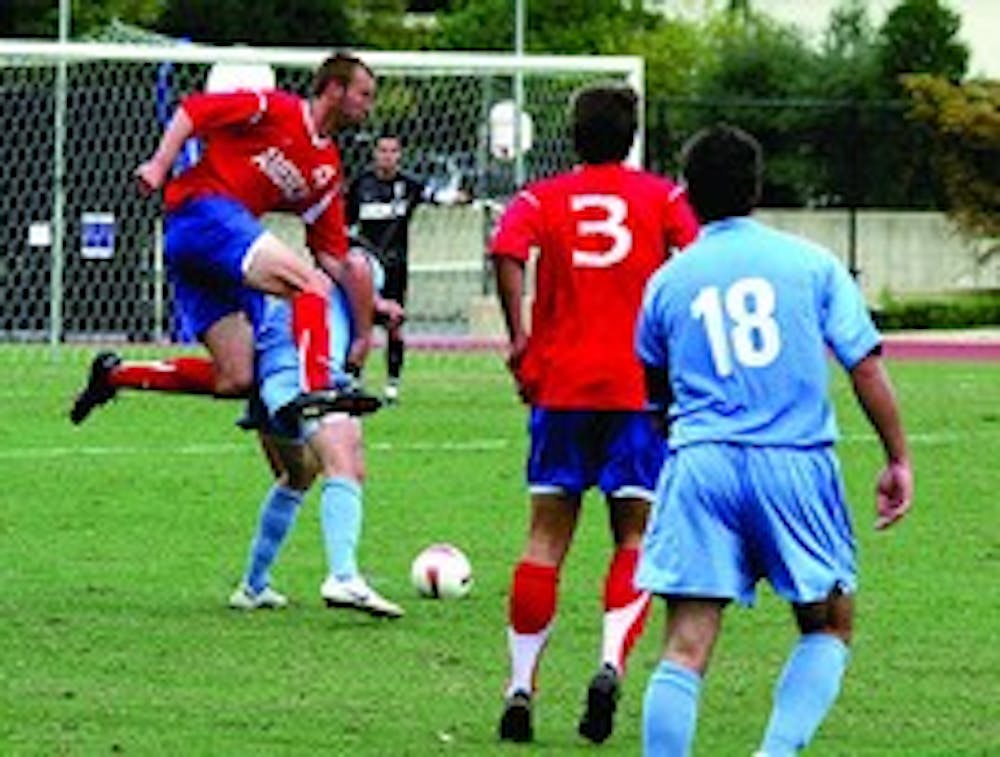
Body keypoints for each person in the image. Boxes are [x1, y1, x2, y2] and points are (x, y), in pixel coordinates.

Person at [635, 124, 913, 756]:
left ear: (686, 195)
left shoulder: (668, 281)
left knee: (685, 645)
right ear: (757, 189)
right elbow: (864, 364)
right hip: (794, 463)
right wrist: (897, 457)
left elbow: (657, 395)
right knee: (829, 622)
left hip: (702, 463)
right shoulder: (811, 264)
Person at [489, 84, 699, 745]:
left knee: (545, 536)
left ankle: (521, 685)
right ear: (631, 136)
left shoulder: (541, 197)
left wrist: (520, 334)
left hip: (559, 385)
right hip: (637, 388)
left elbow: (506, 249)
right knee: (633, 536)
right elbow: (694, 260)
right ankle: (609, 661)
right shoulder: (663, 197)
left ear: (572, 135)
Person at [71, 52, 379, 425]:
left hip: (206, 252)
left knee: (236, 378)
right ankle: (319, 385)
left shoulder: (327, 170)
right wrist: (158, 164)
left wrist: (373, 304)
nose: (369, 106)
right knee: (308, 285)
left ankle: (114, 375)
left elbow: (332, 255)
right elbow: (193, 110)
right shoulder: (274, 107)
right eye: (364, 94)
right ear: (334, 89)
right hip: (205, 213)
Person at [227, 259, 404, 618]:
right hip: (307, 371)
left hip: (271, 372)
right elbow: (358, 326)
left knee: (298, 476)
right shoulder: (355, 261)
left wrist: (377, 311)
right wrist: (373, 321)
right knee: (346, 463)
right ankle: (343, 576)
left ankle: (253, 586)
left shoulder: (311, 269)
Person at [346, 133, 469, 403]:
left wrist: (455, 197)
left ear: (399, 155)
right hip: (366, 268)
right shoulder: (361, 185)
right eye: (383, 150)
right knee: (360, 323)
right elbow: (346, 224)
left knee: (394, 325)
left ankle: (392, 386)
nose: (387, 156)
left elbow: (434, 195)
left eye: (393, 151)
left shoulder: (408, 185)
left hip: (396, 266)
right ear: (374, 154)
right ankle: (353, 380)